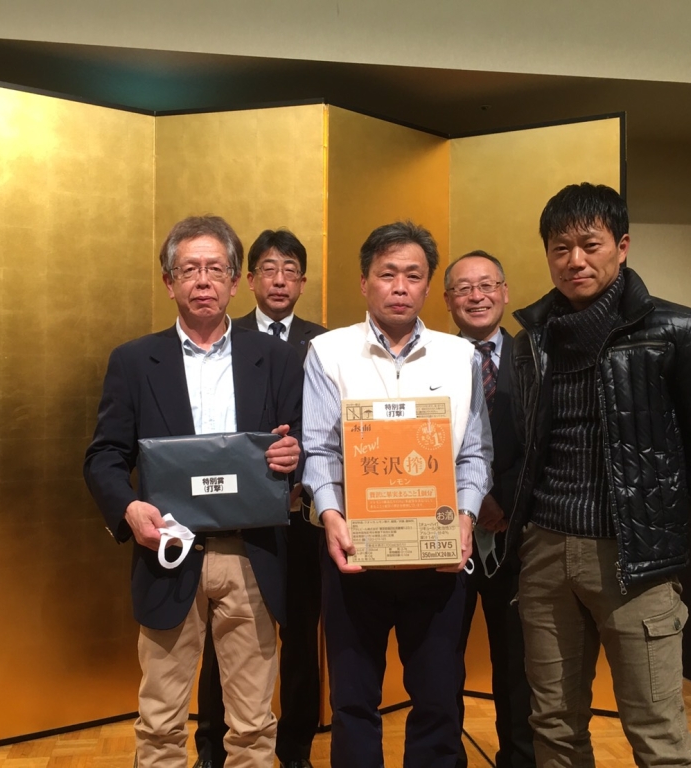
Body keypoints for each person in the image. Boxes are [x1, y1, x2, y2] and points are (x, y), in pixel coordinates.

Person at [507, 183, 691, 768]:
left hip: (634, 558)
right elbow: (522, 444)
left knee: (657, 732)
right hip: (545, 552)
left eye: (590, 245)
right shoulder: (530, 340)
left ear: (623, 246)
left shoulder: (678, 328)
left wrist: (657, 520)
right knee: (553, 725)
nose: (575, 260)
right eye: (560, 248)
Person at [83, 215, 304, 768]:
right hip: (168, 552)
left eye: (215, 268)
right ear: (169, 282)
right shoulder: (134, 361)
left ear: (234, 281)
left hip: (251, 556)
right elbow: (104, 456)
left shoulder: (276, 358)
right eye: (189, 269)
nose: (203, 280)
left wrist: (293, 458)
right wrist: (128, 507)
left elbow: (302, 443)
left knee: (253, 724)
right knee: (160, 721)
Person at [302, 221, 492, 768]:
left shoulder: (460, 356)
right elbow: (319, 448)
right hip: (354, 554)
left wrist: (465, 517)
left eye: (413, 275)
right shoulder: (329, 352)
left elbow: (475, 453)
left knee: (438, 699)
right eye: (388, 274)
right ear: (364, 282)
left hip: (437, 558)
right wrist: (330, 515)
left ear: (429, 285)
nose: (400, 286)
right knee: (353, 701)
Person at [195, 228, 327, 768]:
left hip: (301, 517)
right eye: (268, 269)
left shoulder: (324, 342)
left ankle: (295, 746)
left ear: (303, 281)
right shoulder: (222, 334)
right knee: (221, 636)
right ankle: (212, 744)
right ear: (246, 280)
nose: (279, 280)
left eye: (290, 270)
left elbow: (328, 429)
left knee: (300, 632)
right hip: (234, 519)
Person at [443, 251, 534, 768]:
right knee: (441, 663)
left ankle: (518, 759)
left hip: (518, 538)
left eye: (486, 285)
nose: (476, 296)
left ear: (504, 292)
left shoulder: (535, 358)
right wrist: (474, 501)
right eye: (463, 288)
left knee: (518, 665)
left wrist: (502, 499)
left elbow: (547, 443)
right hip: (446, 534)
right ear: (447, 300)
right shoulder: (432, 360)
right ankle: (445, 757)